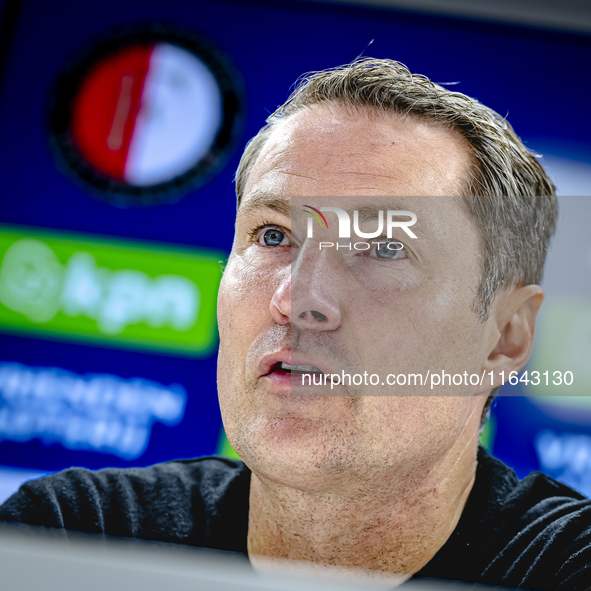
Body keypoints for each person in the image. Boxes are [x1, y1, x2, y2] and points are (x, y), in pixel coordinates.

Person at [1, 58, 589, 590]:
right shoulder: (71, 537)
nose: (297, 298)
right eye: (274, 236)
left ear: (505, 337)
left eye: (383, 249)